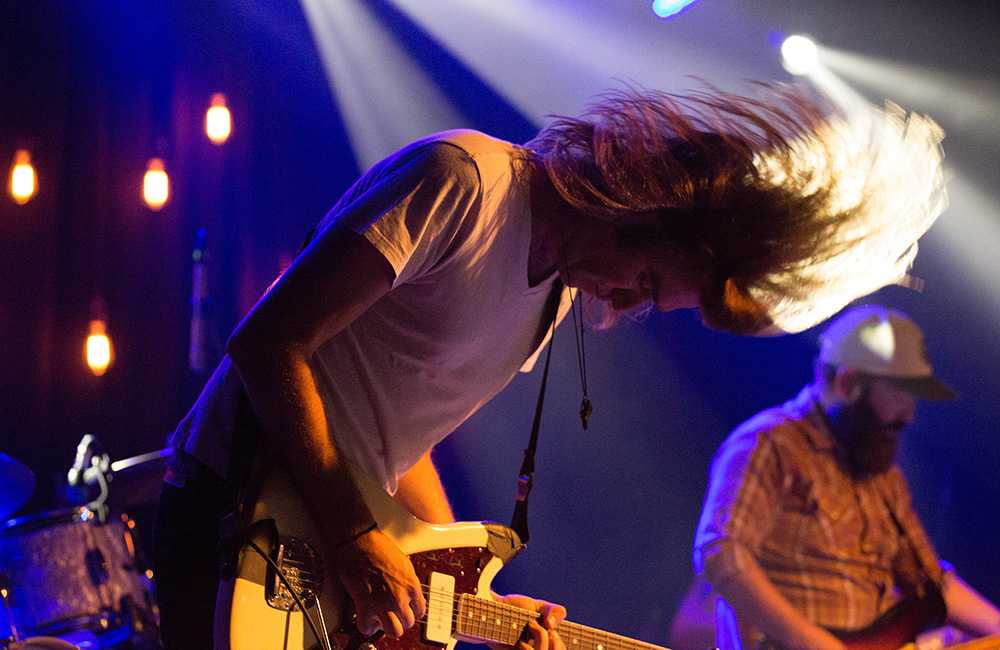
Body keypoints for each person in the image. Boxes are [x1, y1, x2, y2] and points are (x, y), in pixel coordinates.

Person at [153, 84, 948, 650]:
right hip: (231, 505)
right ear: (639, 207)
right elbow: (268, 343)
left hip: (315, 537)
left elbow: (401, 437)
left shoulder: (553, 301)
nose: (627, 302)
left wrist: (466, 590)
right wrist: (353, 530)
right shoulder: (462, 182)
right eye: (646, 280)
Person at [692, 305, 1000, 650]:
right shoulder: (770, 444)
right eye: (900, 394)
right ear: (848, 383)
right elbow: (720, 551)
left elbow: (929, 579)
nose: (909, 414)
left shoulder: (882, 473)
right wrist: (813, 643)